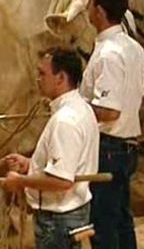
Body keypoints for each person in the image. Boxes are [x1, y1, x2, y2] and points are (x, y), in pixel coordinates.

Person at [2, 48, 99, 249]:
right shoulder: (81, 108)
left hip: (59, 219)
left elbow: (61, 180)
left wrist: (20, 181)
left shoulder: (65, 121)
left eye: (42, 73)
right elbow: (69, 164)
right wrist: (30, 164)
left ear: (60, 77)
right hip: (71, 213)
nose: (37, 79)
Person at [80, 0, 144, 249]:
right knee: (121, 220)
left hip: (109, 148)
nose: (87, 8)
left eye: (89, 2)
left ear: (99, 10)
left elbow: (109, 110)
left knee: (103, 225)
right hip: (126, 146)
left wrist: (74, 109)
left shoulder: (109, 53)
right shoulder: (133, 47)